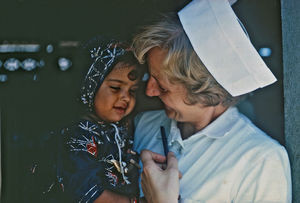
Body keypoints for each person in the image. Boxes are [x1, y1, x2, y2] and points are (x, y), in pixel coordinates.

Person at [132, 0, 292, 202]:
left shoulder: (260, 160)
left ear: (206, 92)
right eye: (149, 77)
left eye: (162, 86)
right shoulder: (145, 124)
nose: (149, 91)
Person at [27, 38, 145, 203]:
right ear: (90, 86)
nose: (125, 97)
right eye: (115, 88)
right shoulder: (77, 136)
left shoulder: (119, 131)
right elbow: (87, 192)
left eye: (133, 90)